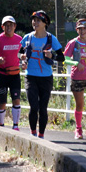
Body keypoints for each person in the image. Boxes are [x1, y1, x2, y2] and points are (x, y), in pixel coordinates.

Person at [20, 10, 64, 139]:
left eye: (38, 20)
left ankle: (41, 135)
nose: (35, 22)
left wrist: (52, 56)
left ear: (45, 23)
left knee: (43, 107)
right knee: (34, 106)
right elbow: (19, 53)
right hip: (31, 76)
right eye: (34, 20)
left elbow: (61, 57)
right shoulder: (27, 38)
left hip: (46, 77)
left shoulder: (51, 38)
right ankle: (33, 133)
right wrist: (22, 58)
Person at [63, 18, 86, 140]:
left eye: (85, 28)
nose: (82, 31)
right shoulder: (73, 43)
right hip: (77, 77)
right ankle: (78, 129)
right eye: (80, 29)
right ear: (77, 30)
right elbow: (65, 59)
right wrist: (75, 63)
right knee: (80, 104)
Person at [0, 16, 23, 130]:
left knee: (16, 100)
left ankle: (15, 126)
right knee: (2, 102)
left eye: (11, 25)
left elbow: (24, 54)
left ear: (15, 26)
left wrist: (24, 62)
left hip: (15, 74)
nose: (9, 27)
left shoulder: (19, 39)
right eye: (6, 25)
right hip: (2, 74)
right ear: (2, 27)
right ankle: (1, 125)